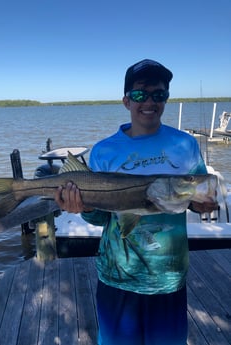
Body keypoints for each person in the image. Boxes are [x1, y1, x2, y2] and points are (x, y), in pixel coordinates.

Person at [55, 59, 218, 345]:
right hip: (118, 275)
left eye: (159, 94)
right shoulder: (104, 150)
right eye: (141, 94)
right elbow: (101, 218)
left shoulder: (186, 144)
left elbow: (196, 193)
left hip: (168, 275)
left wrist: (202, 203)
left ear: (166, 99)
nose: (150, 102)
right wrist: (83, 207)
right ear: (126, 101)